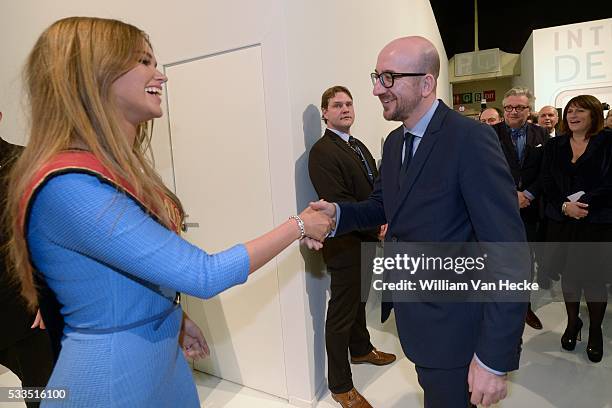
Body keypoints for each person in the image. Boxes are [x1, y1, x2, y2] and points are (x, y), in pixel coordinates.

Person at [6, 17, 332, 407]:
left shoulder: (99, 172)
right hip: (111, 383)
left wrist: (172, 316)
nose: (159, 75)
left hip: (159, 360)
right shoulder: (68, 186)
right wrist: (300, 224)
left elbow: (120, 280)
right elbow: (203, 274)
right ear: (93, 73)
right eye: (143, 62)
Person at [307, 36, 527, 408]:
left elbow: (510, 253)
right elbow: (384, 205)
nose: (377, 89)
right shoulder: (395, 143)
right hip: (418, 322)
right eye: (377, 77)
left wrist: (494, 357)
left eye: (389, 78)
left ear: (426, 83)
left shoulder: (470, 139)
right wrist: (338, 215)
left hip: (457, 329)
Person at [308, 86, 395, 408]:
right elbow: (338, 200)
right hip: (344, 244)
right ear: (325, 113)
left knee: (359, 301)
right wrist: (377, 224)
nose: (345, 109)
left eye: (348, 103)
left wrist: (382, 220)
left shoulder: (356, 145)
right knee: (341, 315)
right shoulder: (322, 151)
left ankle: (361, 349)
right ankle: (341, 385)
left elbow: (372, 191)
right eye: (336, 105)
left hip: (367, 237)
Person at [541, 95, 612, 363]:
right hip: (563, 223)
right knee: (569, 278)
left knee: (594, 280)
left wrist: (583, 204)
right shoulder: (554, 145)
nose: (572, 115)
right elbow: (547, 181)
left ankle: (595, 331)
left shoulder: (608, 142)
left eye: (580, 110)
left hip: (597, 222)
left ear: (594, 114)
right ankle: (573, 323)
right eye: (569, 110)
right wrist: (563, 206)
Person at [0, 112, 54, 408]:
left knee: (44, 395)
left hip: (26, 309)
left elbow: (52, 237)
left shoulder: (26, 164)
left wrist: (47, 294)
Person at [492, 87, 549, 330]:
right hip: (499, 210)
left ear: (529, 110)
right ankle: (499, 306)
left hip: (530, 210)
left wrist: (528, 194)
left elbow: (548, 170)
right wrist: (510, 195)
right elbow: (485, 171)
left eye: (519, 107)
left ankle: (522, 306)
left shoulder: (543, 135)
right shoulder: (489, 134)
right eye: (509, 107)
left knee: (526, 262)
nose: (513, 112)